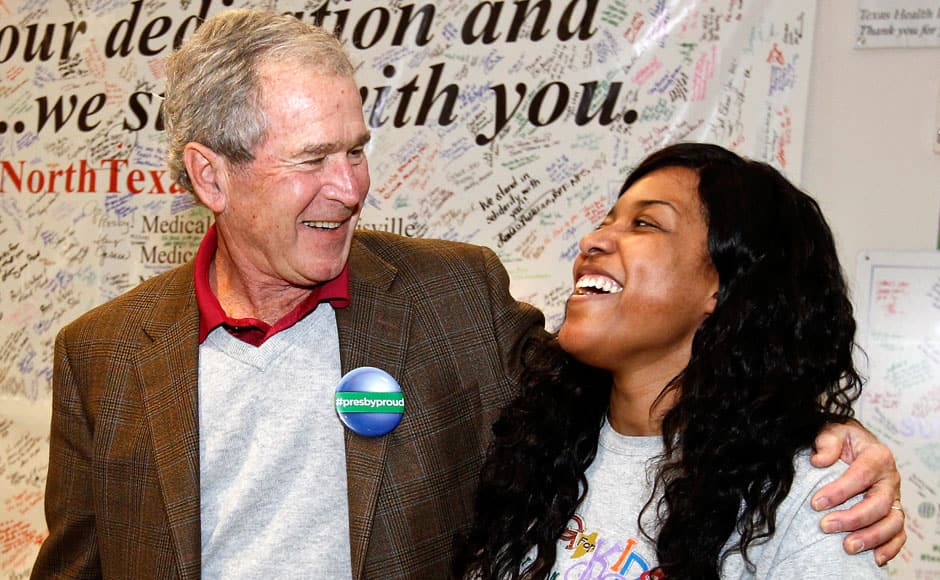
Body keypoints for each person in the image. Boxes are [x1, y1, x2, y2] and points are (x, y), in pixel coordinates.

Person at [31, 10, 902, 580]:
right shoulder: (102, 355)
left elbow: (624, 383)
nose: (349, 187)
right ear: (209, 177)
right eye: (309, 161)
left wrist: (827, 432)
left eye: (356, 148)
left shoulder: (453, 298)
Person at [455, 143, 903, 579]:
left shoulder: (811, 495)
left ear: (724, 286)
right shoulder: (534, 451)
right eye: (607, 221)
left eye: (645, 224)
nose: (591, 240)